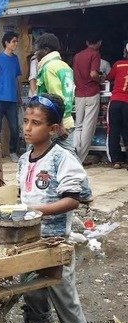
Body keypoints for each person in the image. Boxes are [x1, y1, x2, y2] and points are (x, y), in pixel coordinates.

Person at [18, 93, 102, 323]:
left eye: (36, 123)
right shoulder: (23, 160)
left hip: (55, 245)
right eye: (26, 121)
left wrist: (33, 210)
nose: (28, 128)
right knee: (35, 298)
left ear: (53, 129)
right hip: (30, 245)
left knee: (67, 304)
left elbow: (73, 200)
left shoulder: (61, 158)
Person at [34, 33, 93, 204]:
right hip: (65, 119)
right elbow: (67, 97)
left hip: (52, 123)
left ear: (45, 50)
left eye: (37, 50)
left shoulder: (48, 67)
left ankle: (30, 188)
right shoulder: (64, 66)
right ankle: (85, 192)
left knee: (35, 153)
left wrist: (57, 124)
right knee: (71, 157)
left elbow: (56, 97)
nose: (35, 54)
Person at [0, 31, 22, 162]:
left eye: (16, 41)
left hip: (12, 99)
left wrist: (19, 95)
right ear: (6, 43)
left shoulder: (15, 59)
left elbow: (17, 78)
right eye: (14, 41)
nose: (16, 43)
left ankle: (13, 151)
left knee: (15, 128)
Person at [73, 33, 103, 163]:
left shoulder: (77, 56)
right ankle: (80, 159)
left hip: (79, 94)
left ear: (86, 42)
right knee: (88, 127)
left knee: (78, 126)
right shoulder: (95, 54)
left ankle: (73, 155)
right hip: (91, 93)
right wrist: (100, 79)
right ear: (99, 43)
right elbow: (93, 74)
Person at [106, 42, 128, 169]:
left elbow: (109, 77)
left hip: (115, 102)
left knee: (114, 131)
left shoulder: (118, 64)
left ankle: (116, 161)